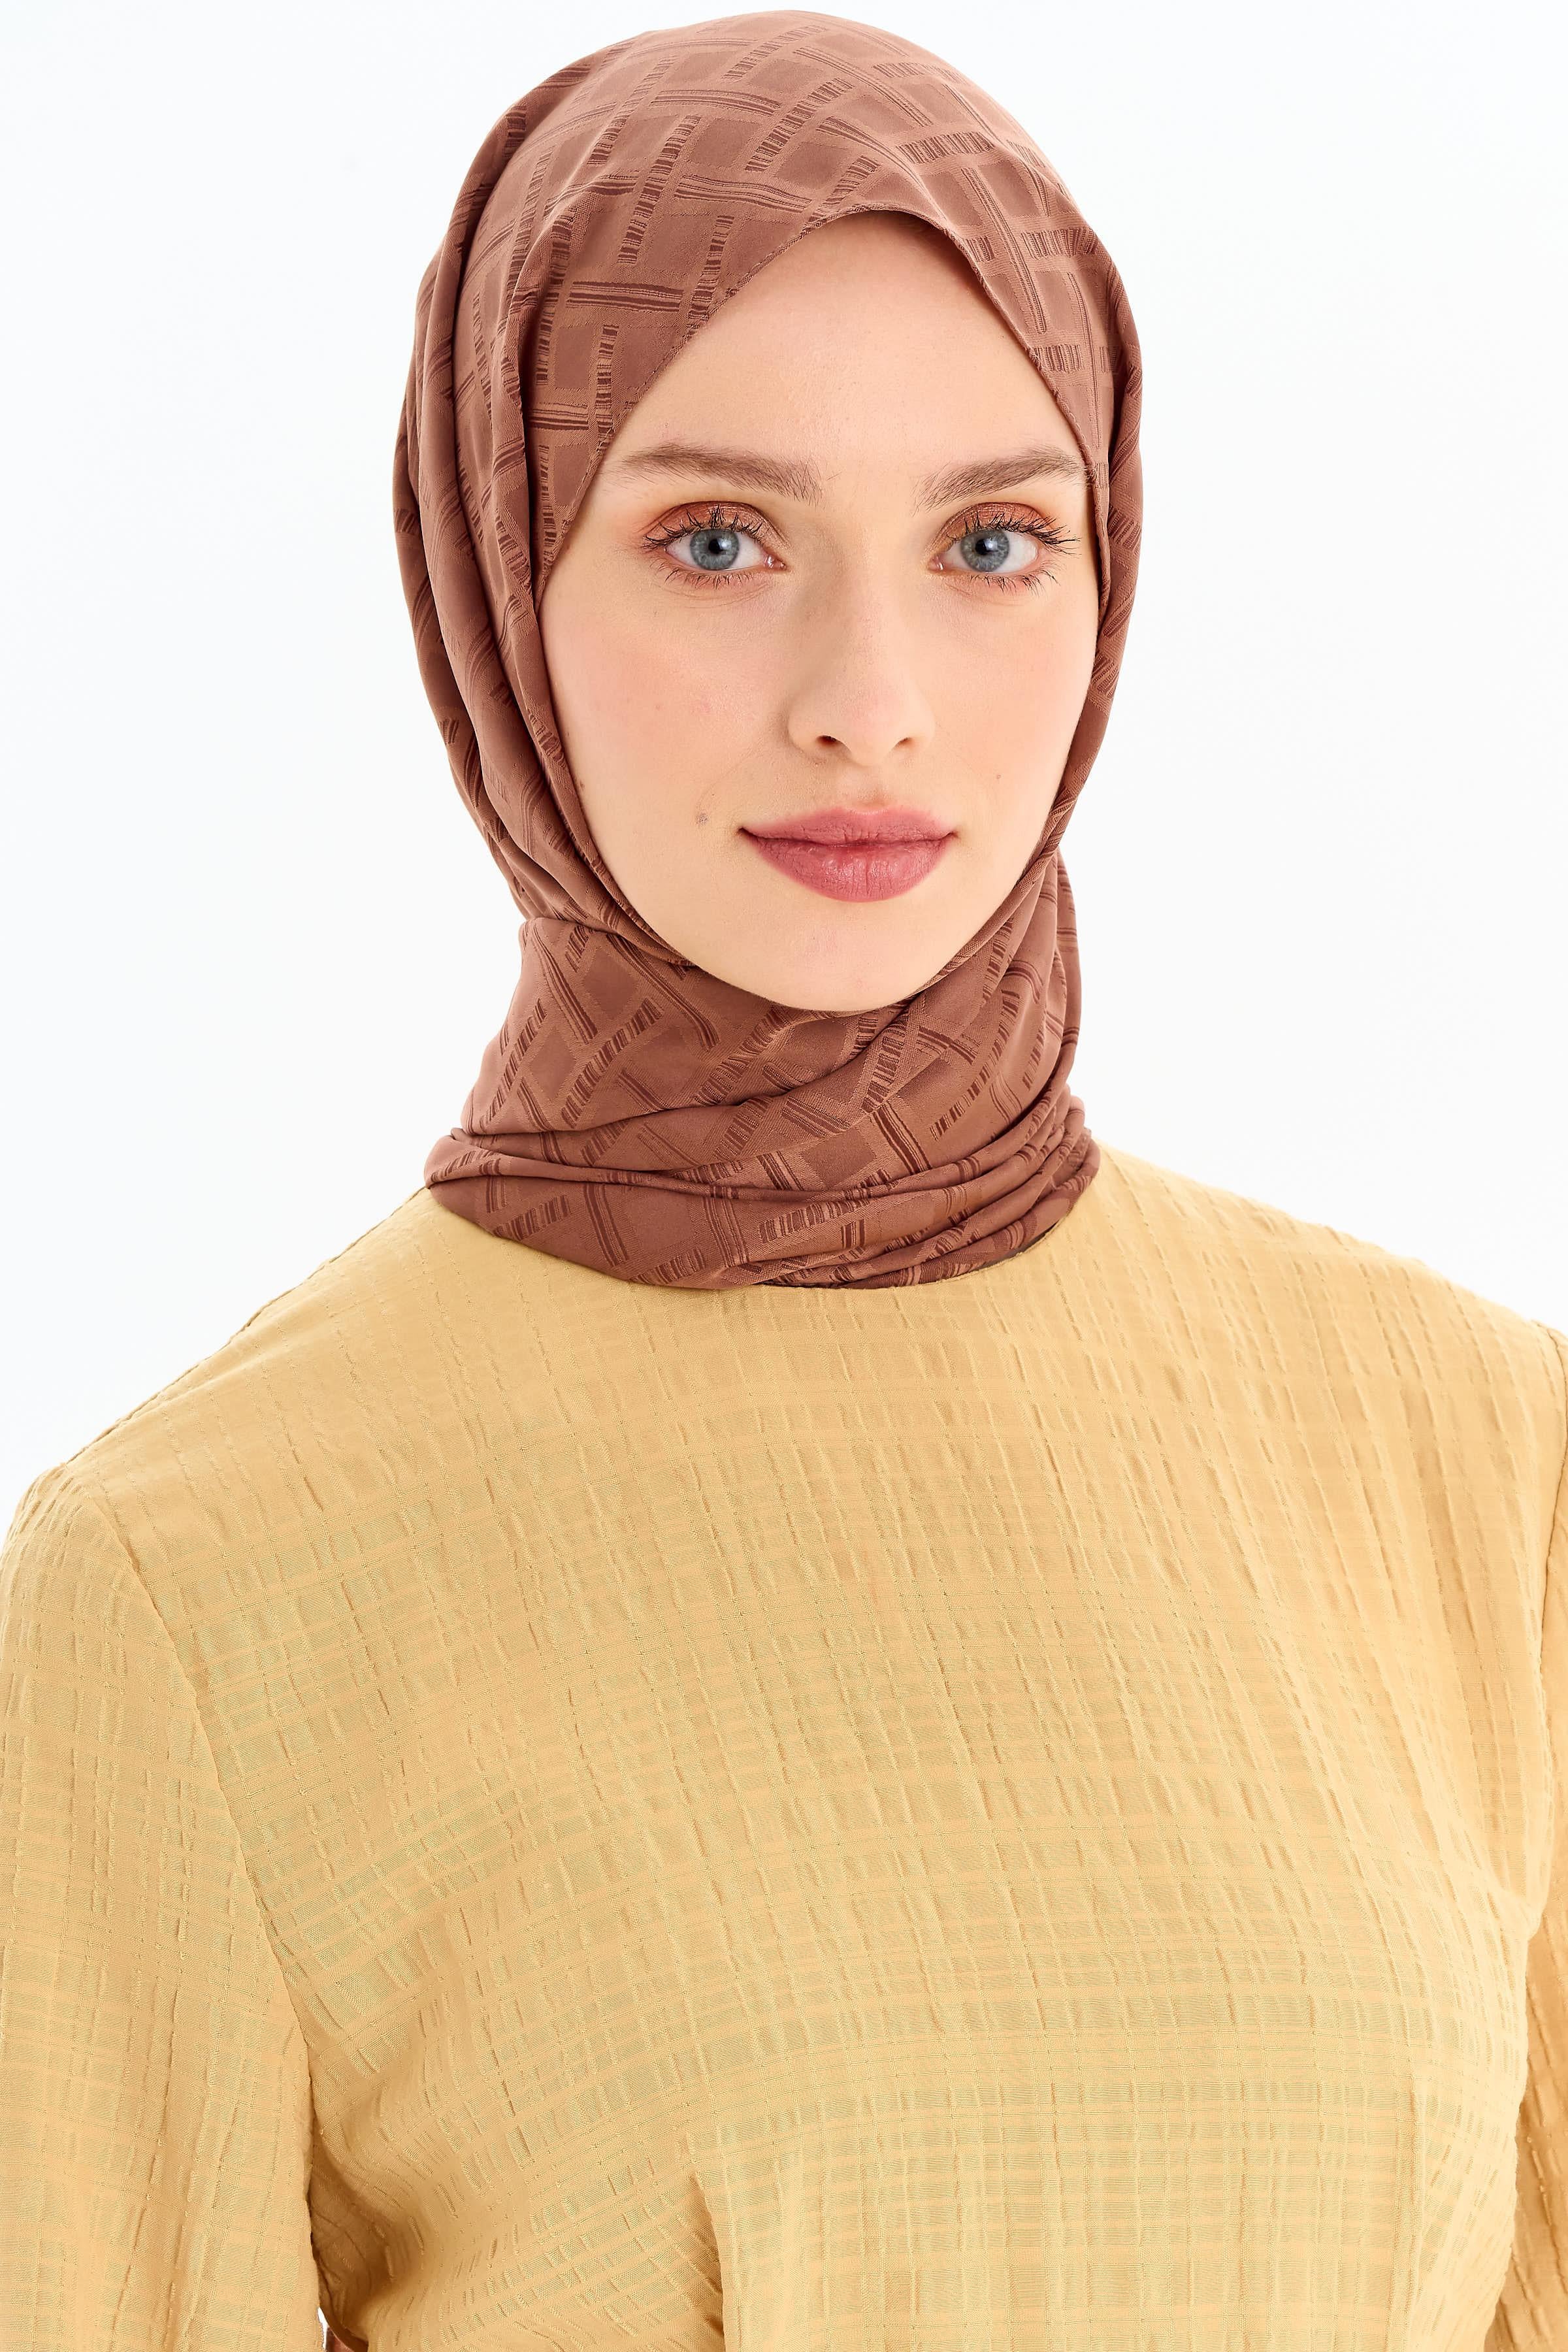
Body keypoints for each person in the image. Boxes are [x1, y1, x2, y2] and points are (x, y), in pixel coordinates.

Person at [2, 11, 1564, 2349]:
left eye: (993, 542)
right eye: (717, 541)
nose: (873, 697)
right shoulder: (187, 1584)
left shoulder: (1479, 1454)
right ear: (497, 568)